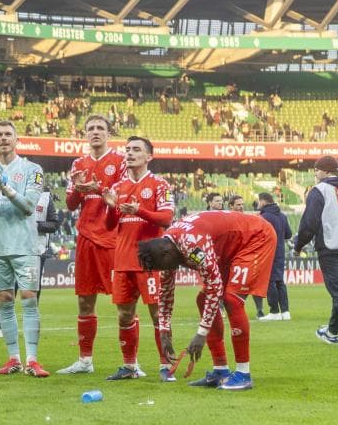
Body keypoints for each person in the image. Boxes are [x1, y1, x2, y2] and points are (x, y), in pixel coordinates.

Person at [138, 212, 277, 390]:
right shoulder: (167, 248)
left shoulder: (191, 244)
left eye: (165, 266)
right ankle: (221, 371)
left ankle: (243, 374)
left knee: (232, 300)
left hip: (255, 237)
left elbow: (215, 286)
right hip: (231, 246)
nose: (168, 270)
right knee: (204, 299)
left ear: (167, 253)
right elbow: (165, 293)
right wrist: (164, 331)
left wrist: (201, 334)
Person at [0, 120, 48, 377]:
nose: (4, 138)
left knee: (28, 298)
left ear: (17, 140)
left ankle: (33, 359)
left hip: (25, 246)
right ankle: (13, 358)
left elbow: (29, 206)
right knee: (4, 300)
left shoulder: (33, 169)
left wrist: (5, 189)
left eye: (8, 134)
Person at [99, 136, 175, 381]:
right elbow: (110, 225)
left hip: (151, 259)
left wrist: (139, 211)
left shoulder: (159, 184)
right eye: (127, 149)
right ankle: (130, 366)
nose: (129, 153)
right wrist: (111, 207)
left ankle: (166, 366)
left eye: (136, 150)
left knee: (157, 314)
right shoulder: (118, 188)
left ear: (149, 156)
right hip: (123, 259)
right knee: (124, 315)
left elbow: (166, 218)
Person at [57, 115, 125, 375]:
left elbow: (121, 196)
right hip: (86, 237)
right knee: (85, 301)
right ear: (85, 134)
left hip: (112, 237)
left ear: (108, 133)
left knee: (123, 301)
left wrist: (99, 186)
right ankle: (85, 360)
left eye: (100, 128)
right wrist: (79, 189)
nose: (95, 132)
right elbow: (71, 204)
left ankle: (131, 362)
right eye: (91, 129)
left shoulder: (120, 161)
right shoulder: (78, 164)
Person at [294, 155, 338, 348]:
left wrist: (299, 245)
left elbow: (309, 223)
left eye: (316, 169)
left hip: (331, 247)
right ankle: (332, 332)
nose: (315, 173)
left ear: (325, 171)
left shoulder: (320, 190)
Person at [256, 192, 293, 322]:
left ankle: (274, 311)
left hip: (267, 253)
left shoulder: (263, 217)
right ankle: (285, 311)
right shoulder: (282, 216)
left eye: (259, 201)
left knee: (270, 281)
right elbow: (288, 234)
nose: (258, 204)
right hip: (280, 253)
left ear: (263, 201)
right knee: (279, 281)